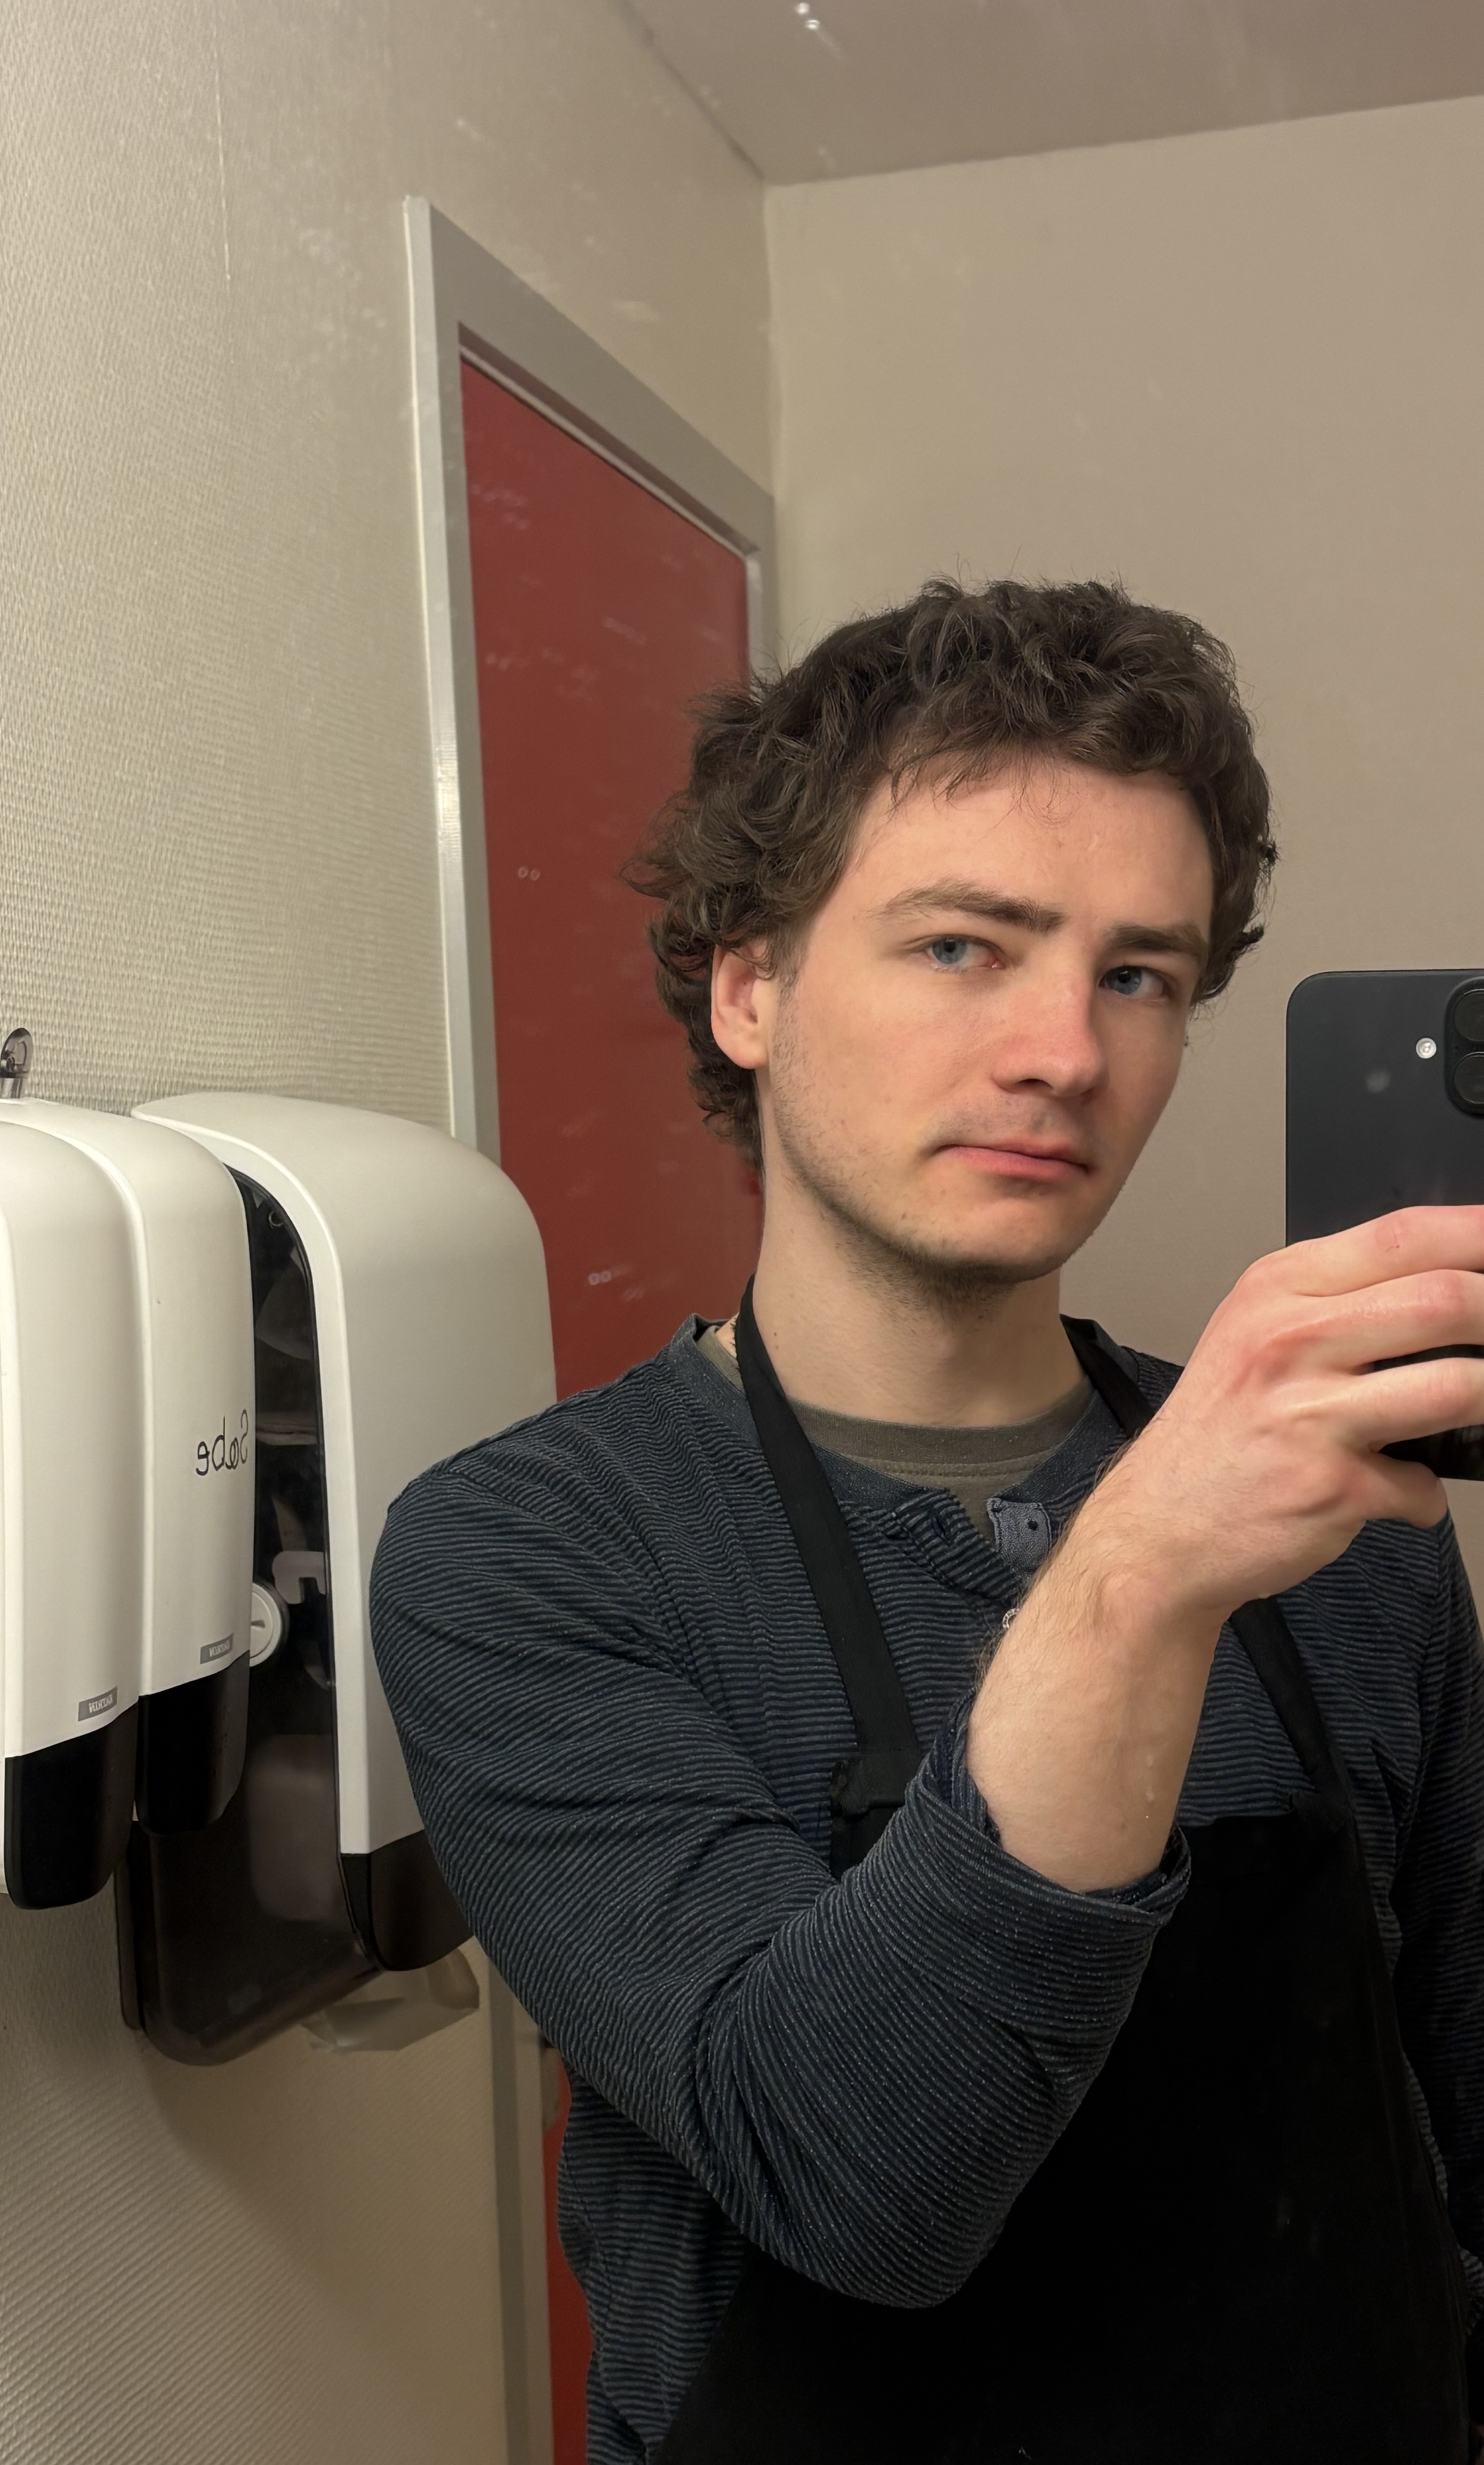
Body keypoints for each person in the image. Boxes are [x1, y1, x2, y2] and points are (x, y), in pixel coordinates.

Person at [371, 579, 1484, 2463]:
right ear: (748, 988)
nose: (1064, 1051)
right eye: (965, 946)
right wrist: (1141, 1572)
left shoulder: (1346, 1515)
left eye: (1138, 975)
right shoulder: (530, 1556)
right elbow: (855, 2177)